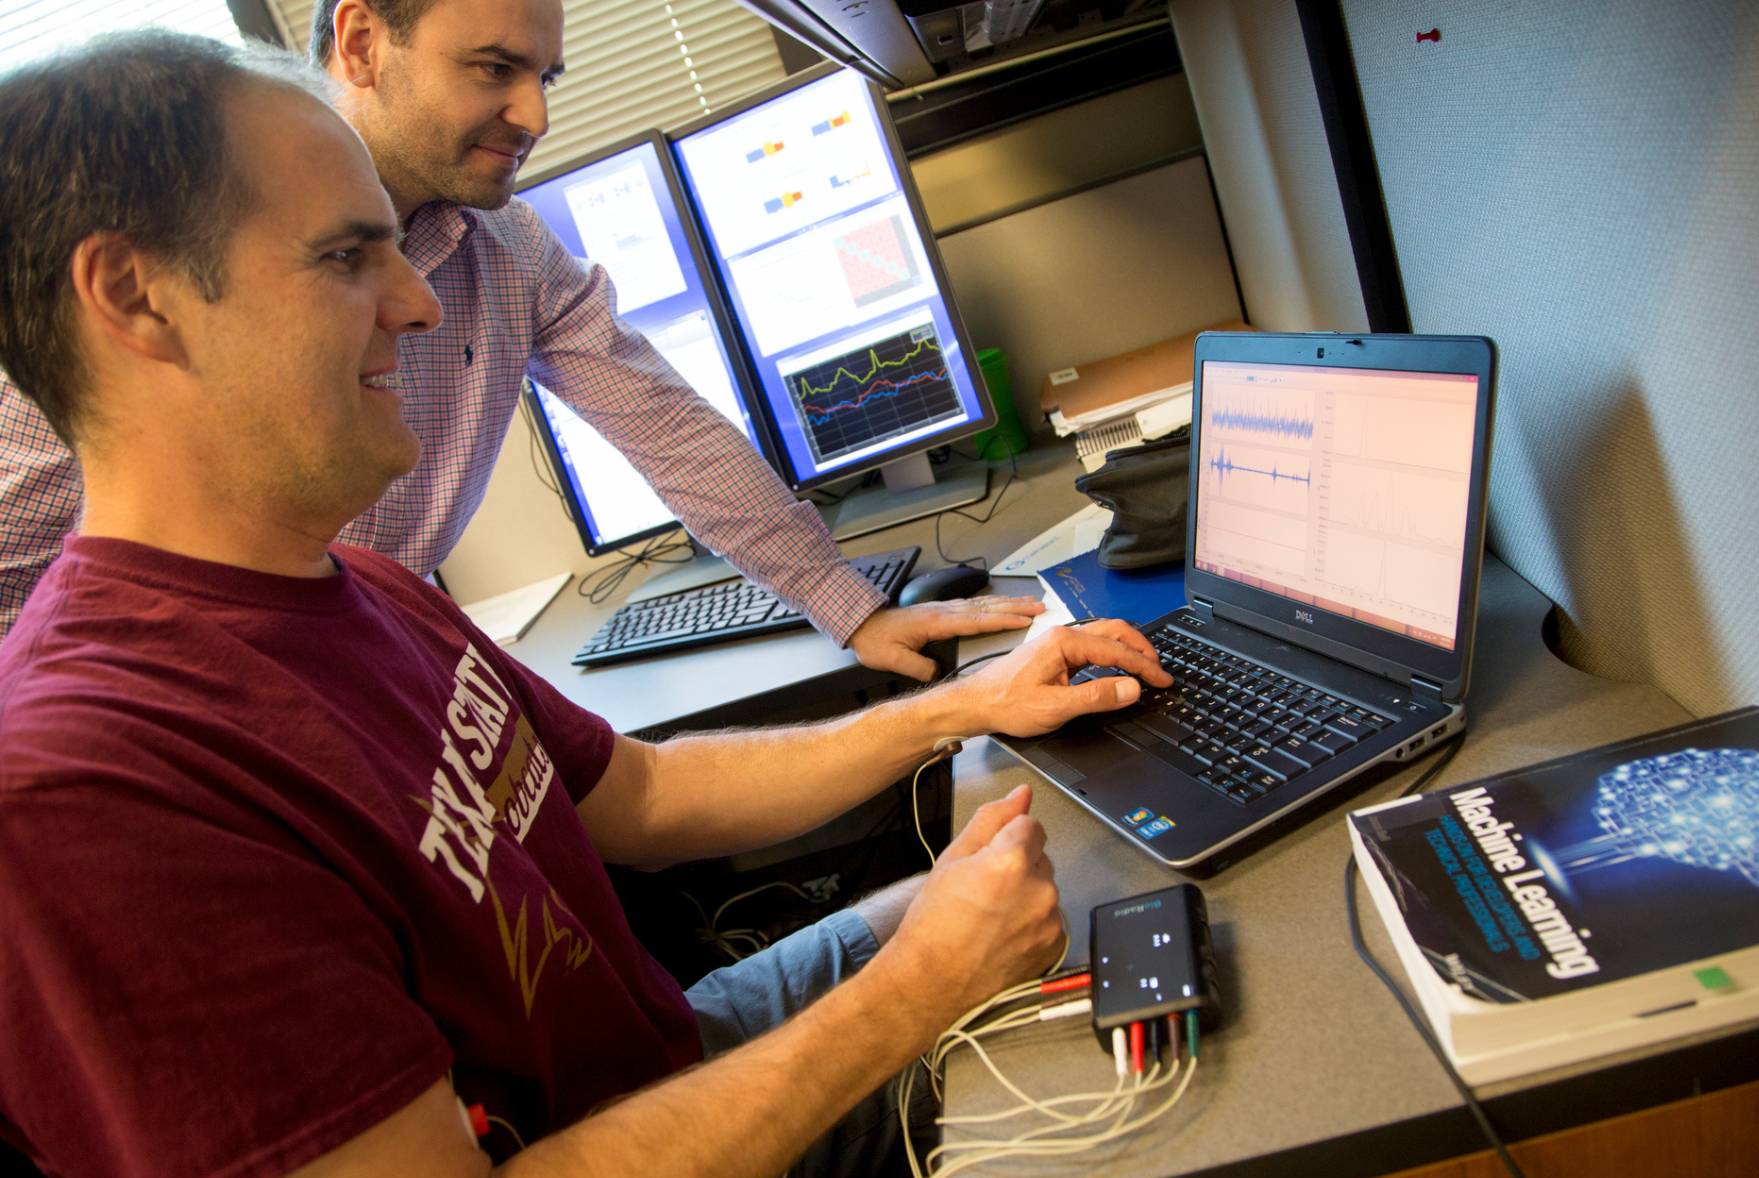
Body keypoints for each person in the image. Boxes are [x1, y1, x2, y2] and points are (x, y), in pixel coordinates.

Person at [0, 33, 1170, 1178]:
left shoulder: (373, 590)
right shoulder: (88, 795)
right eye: (350, 257)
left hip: (663, 1060)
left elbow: (644, 796)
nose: (419, 304)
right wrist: (917, 986)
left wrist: (962, 709)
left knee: (1091, 890)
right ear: (134, 298)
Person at [0, 0, 1042, 678]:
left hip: (365, 680)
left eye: (549, 76)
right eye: (495, 68)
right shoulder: (174, 284)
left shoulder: (505, 244)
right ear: (361, 45)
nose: (534, 113)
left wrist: (846, 607)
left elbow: (662, 422)